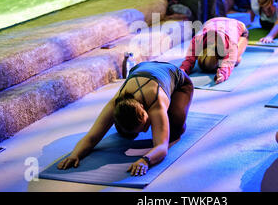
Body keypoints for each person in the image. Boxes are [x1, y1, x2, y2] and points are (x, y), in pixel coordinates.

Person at [57, 61, 194, 176]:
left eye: (146, 123)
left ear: (143, 108)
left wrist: (145, 160)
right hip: (142, 68)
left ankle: (173, 113)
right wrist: (75, 155)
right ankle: (134, 126)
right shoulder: (115, 104)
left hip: (178, 81)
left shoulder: (156, 100)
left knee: (174, 132)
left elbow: (162, 147)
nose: (147, 130)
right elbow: (92, 137)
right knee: (126, 133)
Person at [180, 17, 248, 84]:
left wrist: (222, 75)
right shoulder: (197, 39)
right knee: (232, 58)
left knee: (236, 60)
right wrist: (182, 71)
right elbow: (189, 60)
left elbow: (228, 65)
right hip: (213, 21)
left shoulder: (231, 44)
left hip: (237, 25)